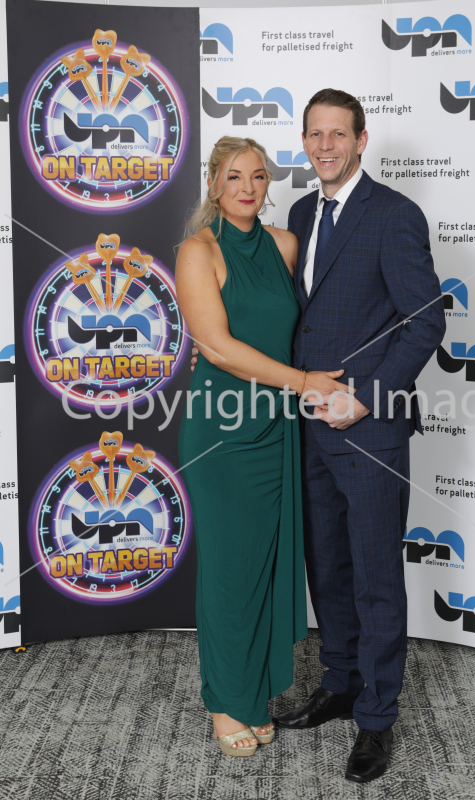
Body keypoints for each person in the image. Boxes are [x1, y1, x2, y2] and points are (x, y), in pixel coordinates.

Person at [268, 89, 446, 783]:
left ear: (361, 140)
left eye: (337, 134)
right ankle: (340, 683)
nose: (325, 146)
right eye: (314, 134)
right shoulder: (300, 213)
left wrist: (366, 397)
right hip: (309, 426)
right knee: (328, 566)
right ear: (304, 141)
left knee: (374, 576)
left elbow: (425, 321)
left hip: (370, 430)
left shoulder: (394, 214)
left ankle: (376, 717)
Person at [176, 136, 351, 757]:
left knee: (265, 565)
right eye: (233, 176)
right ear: (213, 184)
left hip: (277, 427)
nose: (247, 187)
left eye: (257, 176)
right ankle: (227, 701)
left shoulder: (284, 245)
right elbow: (217, 346)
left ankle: (252, 691)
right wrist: (304, 383)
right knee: (229, 569)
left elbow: (299, 326)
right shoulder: (198, 251)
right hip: (221, 432)